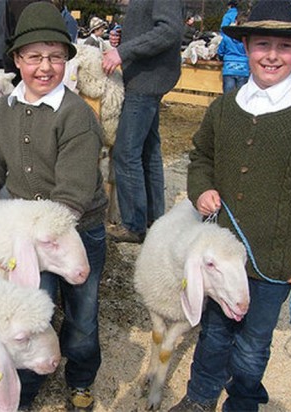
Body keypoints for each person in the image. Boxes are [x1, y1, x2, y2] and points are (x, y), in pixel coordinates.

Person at [169, 1, 291, 411]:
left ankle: (242, 402)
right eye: (262, 44)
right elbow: (201, 157)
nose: (272, 55)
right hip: (222, 256)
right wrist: (200, 188)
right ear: (247, 47)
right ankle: (200, 398)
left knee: (252, 346)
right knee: (213, 334)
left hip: (276, 262)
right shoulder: (225, 107)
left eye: (285, 46)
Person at [0, 3, 107, 410]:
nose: (45, 67)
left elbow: (71, 196)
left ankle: (79, 377)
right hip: (29, 239)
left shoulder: (76, 116)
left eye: (56, 56)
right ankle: (24, 387)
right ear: (17, 59)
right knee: (26, 316)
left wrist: (22, 236)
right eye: (34, 56)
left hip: (74, 232)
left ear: (67, 61)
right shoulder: (4, 111)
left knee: (82, 313)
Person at [102, 0, 183, 244]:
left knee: (126, 153)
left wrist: (122, 51)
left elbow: (170, 30)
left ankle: (133, 225)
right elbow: (151, 27)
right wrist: (124, 38)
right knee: (149, 151)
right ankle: (153, 219)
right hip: (146, 77)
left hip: (145, 80)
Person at [217, 12, 249, 93]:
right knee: (241, 96)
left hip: (229, 67)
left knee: (228, 96)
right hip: (244, 68)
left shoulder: (227, 36)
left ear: (236, 21)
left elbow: (220, 51)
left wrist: (221, 57)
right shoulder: (248, 39)